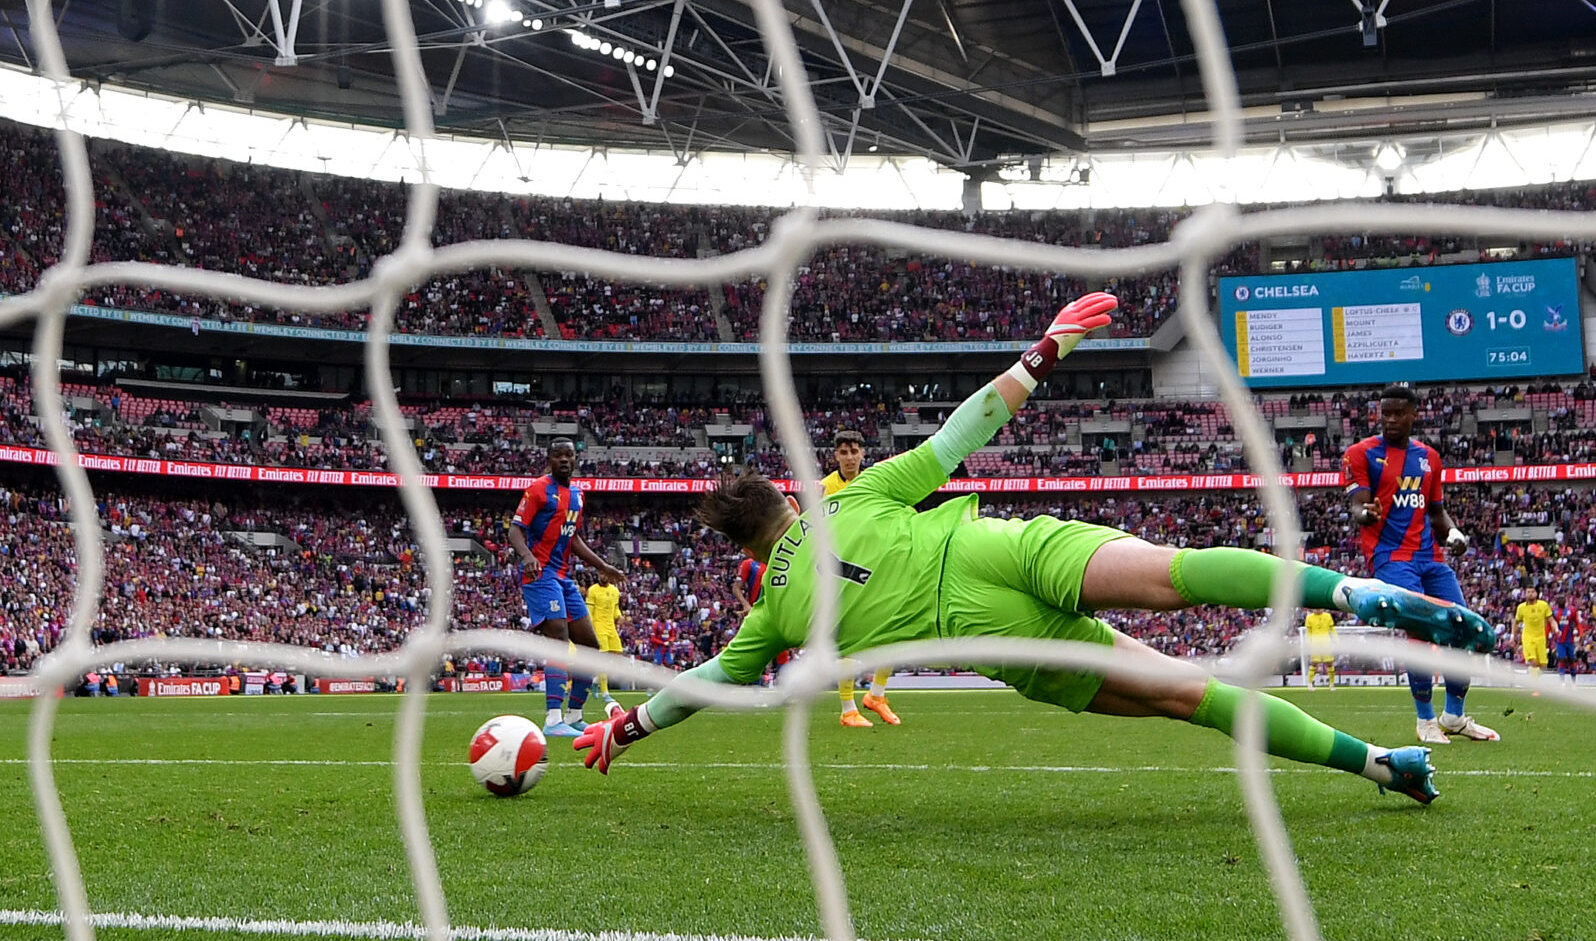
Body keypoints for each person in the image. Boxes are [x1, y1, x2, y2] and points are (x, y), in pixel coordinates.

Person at [577, 294, 1494, 806]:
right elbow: (956, 437)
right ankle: (1356, 589)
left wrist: (623, 725)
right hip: (1002, 549)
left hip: (991, 631)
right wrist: (1042, 352)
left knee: (1191, 696)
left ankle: (1382, 763)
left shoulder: (769, 613)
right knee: (1176, 573)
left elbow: (702, 685)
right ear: (786, 492)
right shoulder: (853, 493)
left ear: (741, 541)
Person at [1345, 384, 1499, 745]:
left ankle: (1455, 717)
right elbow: (1358, 505)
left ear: (1414, 414)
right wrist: (1365, 513)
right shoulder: (1361, 453)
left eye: (1399, 413)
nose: (1391, 419)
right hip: (1390, 558)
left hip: (1430, 556)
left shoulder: (1429, 457)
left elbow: (1436, 511)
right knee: (1419, 631)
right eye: (1386, 413)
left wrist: (1454, 534)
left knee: (1464, 629)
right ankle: (1425, 720)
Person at [505, 439, 625, 737]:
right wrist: (527, 556)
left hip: (562, 577)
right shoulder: (537, 490)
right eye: (558, 455)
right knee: (558, 637)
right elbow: (515, 529)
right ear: (549, 459)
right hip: (540, 576)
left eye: (568, 455)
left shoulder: (577, 496)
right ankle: (553, 718)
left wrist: (602, 566)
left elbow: (573, 539)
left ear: (575, 459)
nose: (563, 460)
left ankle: (573, 715)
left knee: (590, 645)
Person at [821, 428, 902, 728]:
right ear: (836, 455)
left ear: (862, 453)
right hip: (842, 570)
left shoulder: (875, 481)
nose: (850, 457)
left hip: (875, 565)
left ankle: (876, 696)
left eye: (854, 451)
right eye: (844, 452)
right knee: (849, 640)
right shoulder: (826, 488)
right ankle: (847, 710)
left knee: (891, 633)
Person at [581, 574, 626, 716]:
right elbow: (589, 612)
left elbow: (615, 609)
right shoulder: (593, 590)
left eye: (604, 574)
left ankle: (595, 680)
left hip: (611, 628)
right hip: (599, 627)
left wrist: (619, 616)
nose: (603, 576)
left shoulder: (614, 590)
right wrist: (591, 629)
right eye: (600, 574)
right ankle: (605, 692)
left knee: (618, 654)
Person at [1515, 592, 1553, 673]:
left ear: (1536, 593)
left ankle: (1531, 675)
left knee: (1543, 666)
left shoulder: (1543, 605)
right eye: (1528, 592)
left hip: (1541, 638)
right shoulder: (1521, 607)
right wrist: (1512, 636)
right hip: (1528, 638)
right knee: (1534, 662)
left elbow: (1551, 620)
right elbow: (1515, 622)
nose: (1530, 594)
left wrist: (1556, 629)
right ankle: (1534, 684)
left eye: (1532, 592)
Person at [1303, 606, 1337, 688]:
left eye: (1319, 608)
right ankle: (1310, 683)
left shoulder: (1328, 616)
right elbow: (1309, 632)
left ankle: (1332, 684)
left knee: (1329, 663)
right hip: (1315, 643)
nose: (1318, 610)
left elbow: (1332, 629)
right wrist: (1308, 642)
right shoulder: (1309, 618)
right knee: (1314, 663)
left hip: (1326, 642)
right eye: (1316, 608)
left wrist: (1336, 639)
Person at [1551, 602, 1581, 683]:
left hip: (1570, 641)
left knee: (1572, 660)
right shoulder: (1554, 611)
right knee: (1561, 660)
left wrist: (1580, 633)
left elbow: (1577, 622)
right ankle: (1562, 683)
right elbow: (1551, 624)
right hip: (1560, 641)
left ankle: (1574, 682)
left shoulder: (1571, 610)